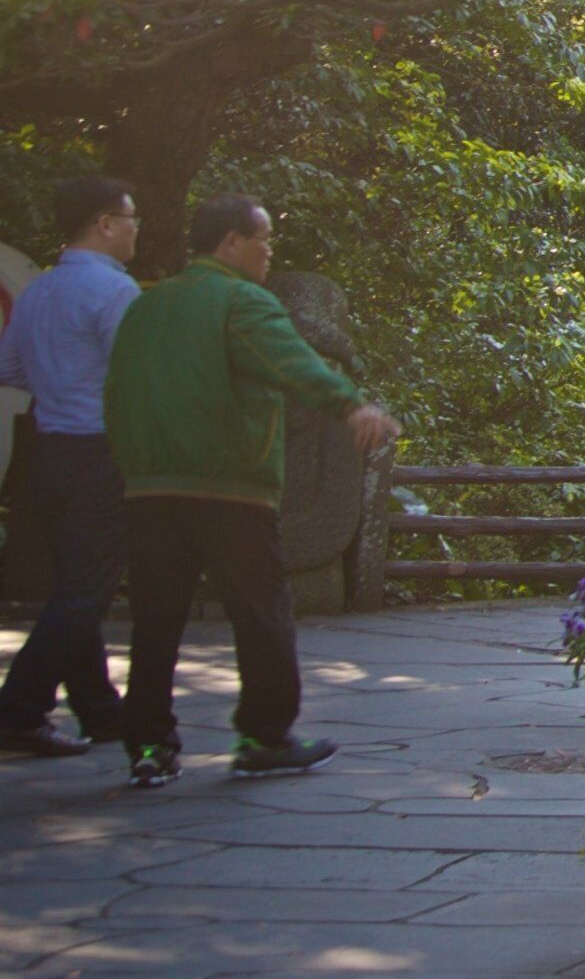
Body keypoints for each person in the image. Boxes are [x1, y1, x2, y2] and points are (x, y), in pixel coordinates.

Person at [107, 194, 396, 786]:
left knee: (156, 620)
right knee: (261, 612)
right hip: (229, 489)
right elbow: (293, 363)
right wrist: (350, 406)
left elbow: (115, 391)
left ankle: (148, 745)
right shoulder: (242, 302)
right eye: (263, 239)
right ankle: (264, 736)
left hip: (150, 489)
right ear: (231, 242)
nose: (269, 252)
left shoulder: (146, 305)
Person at [0, 178, 139, 755]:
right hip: (98, 449)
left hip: (46, 449)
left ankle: (101, 712)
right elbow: (134, 375)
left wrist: (61, 383)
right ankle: (18, 708)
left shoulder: (40, 289)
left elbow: (9, 366)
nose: (136, 228)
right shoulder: (115, 291)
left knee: (75, 584)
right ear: (104, 223)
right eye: (130, 217)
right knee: (87, 588)